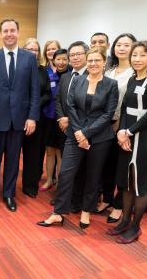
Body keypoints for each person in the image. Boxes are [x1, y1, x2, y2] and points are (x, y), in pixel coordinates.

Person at [38, 47, 118, 229]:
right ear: (86, 62)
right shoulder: (78, 80)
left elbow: (108, 114)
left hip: (99, 138)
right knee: (66, 173)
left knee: (93, 175)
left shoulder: (111, 85)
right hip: (75, 134)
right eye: (90, 60)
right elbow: (71, 106)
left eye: (97, 60)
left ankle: (86, 211)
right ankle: (58, 213)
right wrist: (79, 132)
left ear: (103, 62)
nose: (93, 64)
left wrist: (86, 133)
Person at [108, 41, 147, 243]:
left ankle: (135, 227)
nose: (137, 59)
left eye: (142, 55)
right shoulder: (132, 79)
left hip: (143, 138)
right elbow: (124, 109)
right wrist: (122, 131)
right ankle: (124, 221)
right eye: (134, 55)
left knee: (139, 186)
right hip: (127, 135)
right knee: (126, 184)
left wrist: (129, 132)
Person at [0, 18, 40, 212]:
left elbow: (34, 91)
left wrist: (32, 117)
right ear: (0, 34)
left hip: (19, 120)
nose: (9, 34)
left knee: (13, 161)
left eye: (12, 30)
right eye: (5, 31)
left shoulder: (29, 58)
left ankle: (8, 194)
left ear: (18, 32)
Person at [98, 33, 137, 223]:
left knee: (122, 168)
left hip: (124, 127)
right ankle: (106, 198)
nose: (122, 48)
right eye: (119, 44)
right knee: (106, 164)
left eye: (127, 45)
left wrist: (120, 126)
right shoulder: (108, 70)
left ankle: (119, 204)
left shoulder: (135, 72)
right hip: (104, 124)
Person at [52, 42, 89, 209]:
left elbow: (89, 107)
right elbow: (59, 99)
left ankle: (76, 200)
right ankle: (64, 198)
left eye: (78, 54)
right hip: (64, 127)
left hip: (84, 130)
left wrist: (71, 121)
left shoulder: (92, 75)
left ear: (86, 55)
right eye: (72, 55)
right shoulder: (66, 76)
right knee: (66, 168)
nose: (75, 57)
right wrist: (62, 118)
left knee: (82, 169)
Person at [21, 38, 51, 198]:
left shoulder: (42, 70)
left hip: (35, 117)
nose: (33, 52)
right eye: (29, 49)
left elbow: (47, 93)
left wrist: (33, 106)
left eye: (36, 49)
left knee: (33, 154)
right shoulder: (17, 68)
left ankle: (30, 185)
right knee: (12, 153)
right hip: (17, 117)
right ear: (23, 50)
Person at [39, 40, 62, 191]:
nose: (51, 51)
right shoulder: (43, 70)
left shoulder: (65, 70)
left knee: (60, 152)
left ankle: (60, 182)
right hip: (46, 114)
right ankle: (49, 180)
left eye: (54, 49)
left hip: (61, 117)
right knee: (49, 151)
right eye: (48, 49)